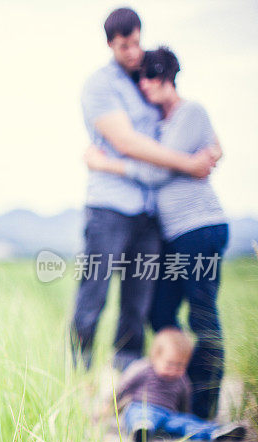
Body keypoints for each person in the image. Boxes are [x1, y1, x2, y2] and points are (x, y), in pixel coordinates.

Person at [71, 8, 220, 372]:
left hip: (151, 214)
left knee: (137, 306)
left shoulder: (149, 77)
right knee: (94, 297)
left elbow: (184, 121)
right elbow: (129, 142)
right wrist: (188, 163)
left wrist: (213, 148)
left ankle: (128, 382)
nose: (133, 51)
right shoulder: (100, 85)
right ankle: (78, 379)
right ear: (111, 44)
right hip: (111, 206)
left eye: (137, 41)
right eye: (124, 45)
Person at [85, 47, 228, 420]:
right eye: (141, 78)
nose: (144, 85)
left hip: (199, 228)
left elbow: (155, 172)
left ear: (168, 78)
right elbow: (187, 155)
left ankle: (203, 405)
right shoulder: (162, 124)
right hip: (174, 233)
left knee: (202, 314)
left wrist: (104, 164)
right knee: (160, 309)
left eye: (151, 77)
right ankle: (170, 387)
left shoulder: (189, 113)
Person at [115, 327, 245, 442]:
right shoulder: (143, 368)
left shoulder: (182, 379)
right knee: (140, 415)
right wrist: (109, 407)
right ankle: (141, 431)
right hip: (142, 407)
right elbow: (123, 387)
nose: (174, 370)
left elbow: (185, 400)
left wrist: (185, 415)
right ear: (155, 357)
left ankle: (215, 432)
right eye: (170, 364)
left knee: (187, 423)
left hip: (168, 415)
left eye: (180, 365)